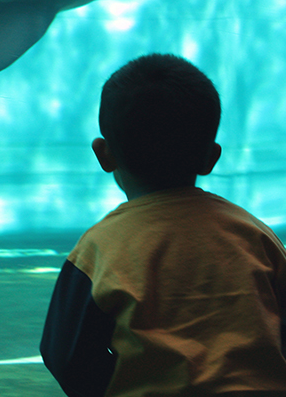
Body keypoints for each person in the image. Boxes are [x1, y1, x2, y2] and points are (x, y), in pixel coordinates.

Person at [40, 53, 286, 396]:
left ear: (103, 154)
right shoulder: (255, 235)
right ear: (211, 158)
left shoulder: (98, 248)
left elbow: (63, 354)